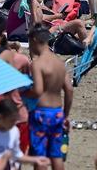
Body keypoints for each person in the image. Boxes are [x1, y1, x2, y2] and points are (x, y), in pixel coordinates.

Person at [26, 24, 73, 170]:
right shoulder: (59, 63)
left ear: (34, 40)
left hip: (41, 113)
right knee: (56, 155)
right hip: (57, 112)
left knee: (40, 156)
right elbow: (69, 89)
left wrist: (23, 93)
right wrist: (65, 114)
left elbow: (38, 90)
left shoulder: (37, 64)